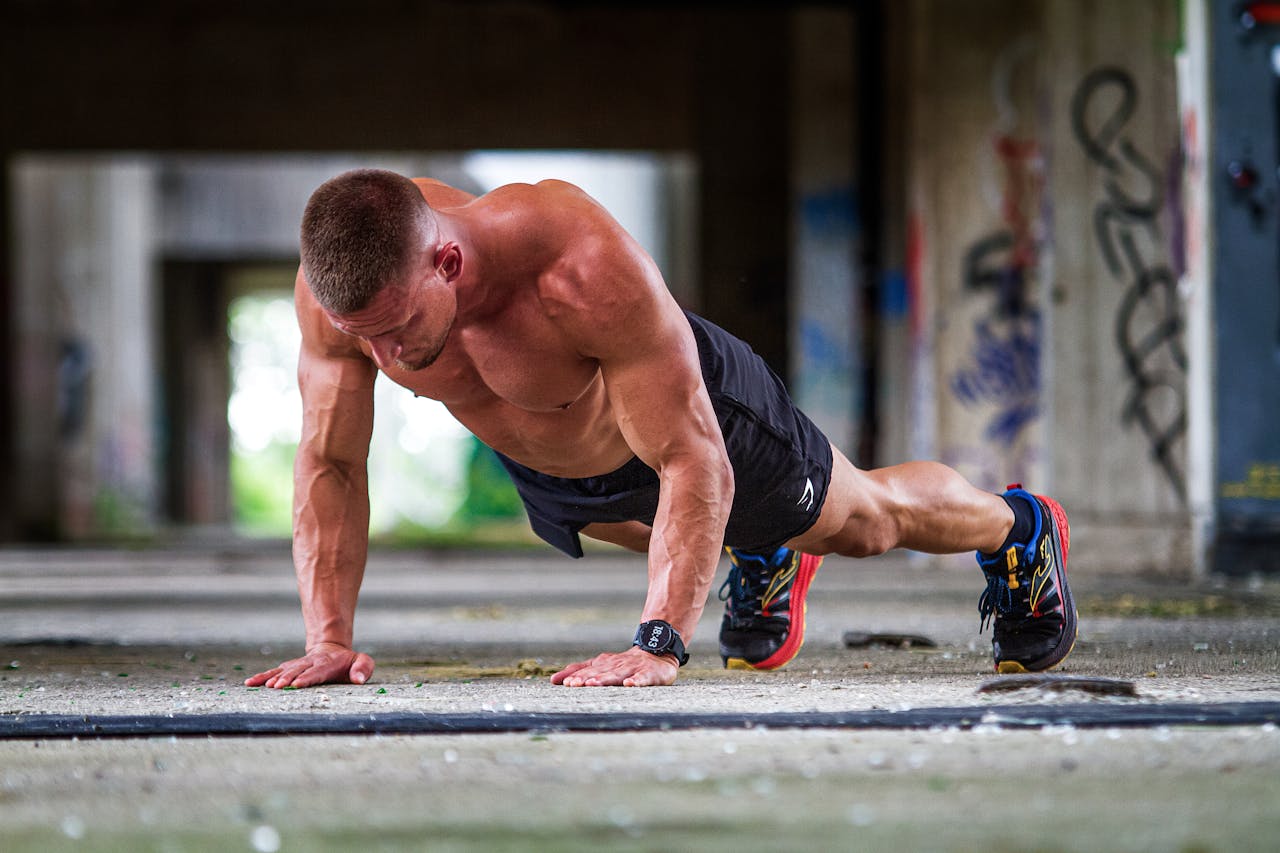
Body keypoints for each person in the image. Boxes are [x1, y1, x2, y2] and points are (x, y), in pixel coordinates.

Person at [246, 169, 1076, 690]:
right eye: (364, 337)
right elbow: (331, 463)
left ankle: (1018, 528)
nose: (385, 358)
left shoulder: (576, 265)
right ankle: (763, 555)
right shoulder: (346, 299)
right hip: (565, 462)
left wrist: (659, 642)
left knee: (863, 522)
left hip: (693, 416)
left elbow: (690, 456)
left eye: (395, 330)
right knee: (661, 527)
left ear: (448, 264)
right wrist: (329, 638)